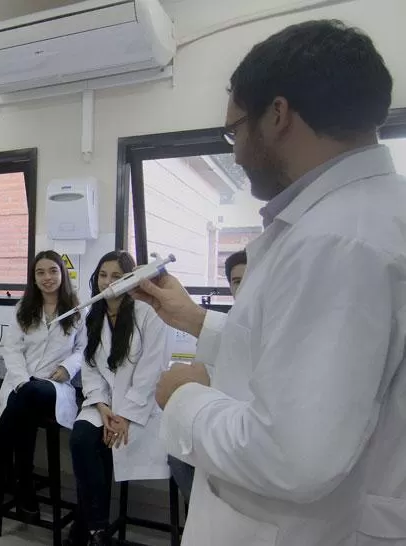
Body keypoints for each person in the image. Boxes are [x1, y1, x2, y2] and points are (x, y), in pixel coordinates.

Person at [137, 20, 406, 545]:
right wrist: (197, 321)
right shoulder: (369, 215)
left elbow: (293, 455)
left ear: (277, 115)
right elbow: (309, 355)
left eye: (235, 131)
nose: (235, 152)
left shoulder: (336, 241)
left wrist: (184, 398)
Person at [68, 251, 170, 546]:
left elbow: (152, 370)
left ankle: (86, 526)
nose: (108, 282)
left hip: (139, 408)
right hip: (103, 405)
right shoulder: (94, 314)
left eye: (117, 276)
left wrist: (124, 416)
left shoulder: (148, 312)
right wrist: (102, 407)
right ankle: (97, 528)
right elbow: (90, 368)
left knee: (99, 446)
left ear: (130, 280)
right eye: (103, 275)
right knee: (81, 440)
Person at [0, 250, 84, 519]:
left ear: (62, 273)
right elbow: (11, 349)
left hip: (54, 386)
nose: (47, 277)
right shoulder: (24, 308)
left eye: (53, 271)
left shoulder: (78, 309)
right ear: (33, 277)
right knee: (25, 410)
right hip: (22, 381)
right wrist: (21, 380)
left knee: (29, 396)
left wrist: (68, 368)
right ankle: (26, 495)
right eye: (40, 272)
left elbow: (83, 349)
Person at [168, 249, 248, 500]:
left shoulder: (271, 324)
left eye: (250, 278)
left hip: (241, 429)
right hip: (219, 418)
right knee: (179, 456)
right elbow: (205, 369)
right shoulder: (225, 322)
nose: (243, 287)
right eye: (236, 281)